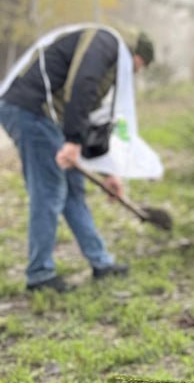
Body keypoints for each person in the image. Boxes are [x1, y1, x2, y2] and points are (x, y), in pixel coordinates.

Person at [0, 24, 158, 293]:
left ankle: (101, 263)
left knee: (73, 190)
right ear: (135, 53)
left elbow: (93, 119)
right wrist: (72, 141)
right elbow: (80, 85)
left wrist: (110, 173)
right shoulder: (105, 41)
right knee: (49, 190)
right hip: (31, 111)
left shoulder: (111, 62)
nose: (134, 73)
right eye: (138, 66)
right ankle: (39, 275)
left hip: (49, 117)